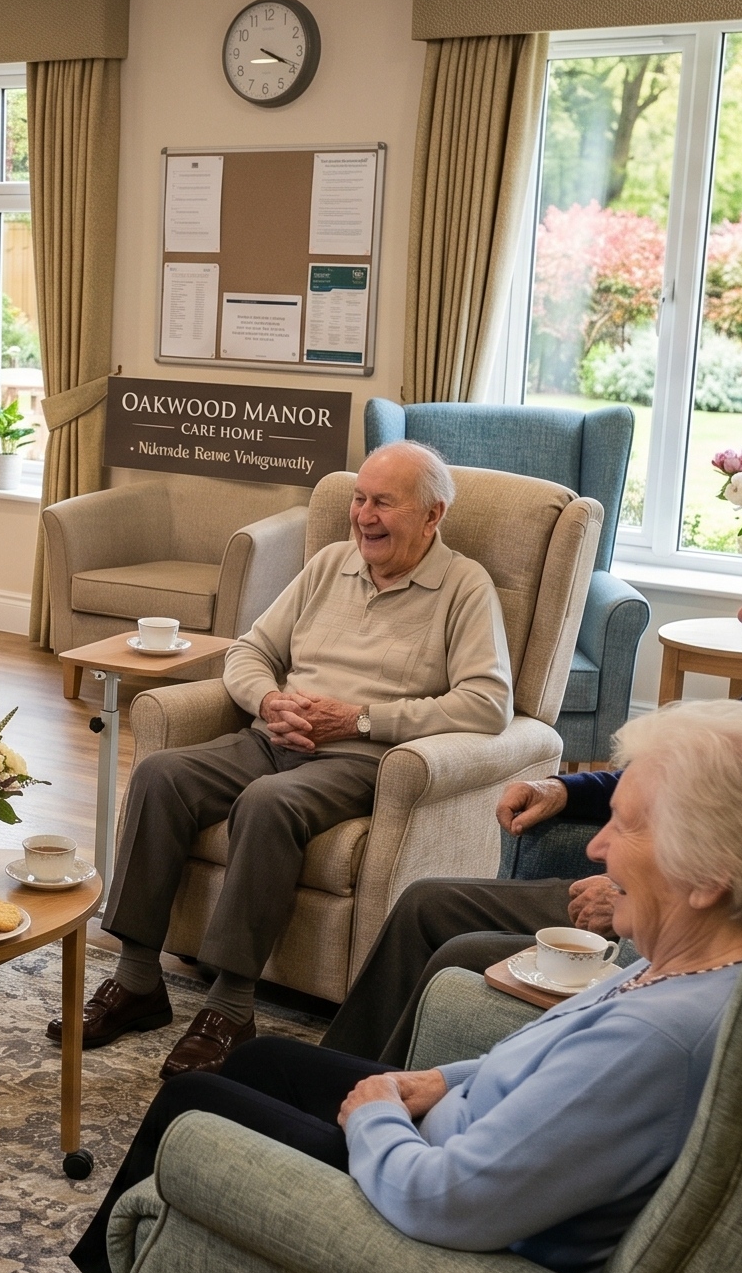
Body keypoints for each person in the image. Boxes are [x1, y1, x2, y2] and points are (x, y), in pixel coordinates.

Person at [17, 699, 742, 1273]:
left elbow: (447, 1204)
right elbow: (541, 1060)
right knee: (262, 1064)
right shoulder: (690, 966)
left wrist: (378, 1118)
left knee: (197, 1111)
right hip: (456, 1136)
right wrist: (434, 1078)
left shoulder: (662, 1039)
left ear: (709, 878)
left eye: (626, 828)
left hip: (427, 1216)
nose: (596, 851)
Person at [325, 516, 742, 1064]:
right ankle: (344, 1078)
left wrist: (641, 892)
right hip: (665, 897)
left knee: (462, 950)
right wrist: (567, 791)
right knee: (427, 902)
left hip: (700, 937)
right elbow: (674, 780)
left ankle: (383, 1100)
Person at [56, 442, 512, 1080]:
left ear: (432, 516)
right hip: (272, 735)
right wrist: (268, 700)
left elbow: (489, 703)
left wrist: (358, 718)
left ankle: (229, 1008)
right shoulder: (329, 565)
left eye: (383, 502)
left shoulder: (463, 586)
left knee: (267, 804)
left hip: (361, 754)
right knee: (163, 776)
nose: (363, 515)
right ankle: (137, 981)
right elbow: (248, 651)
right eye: (359, 498)